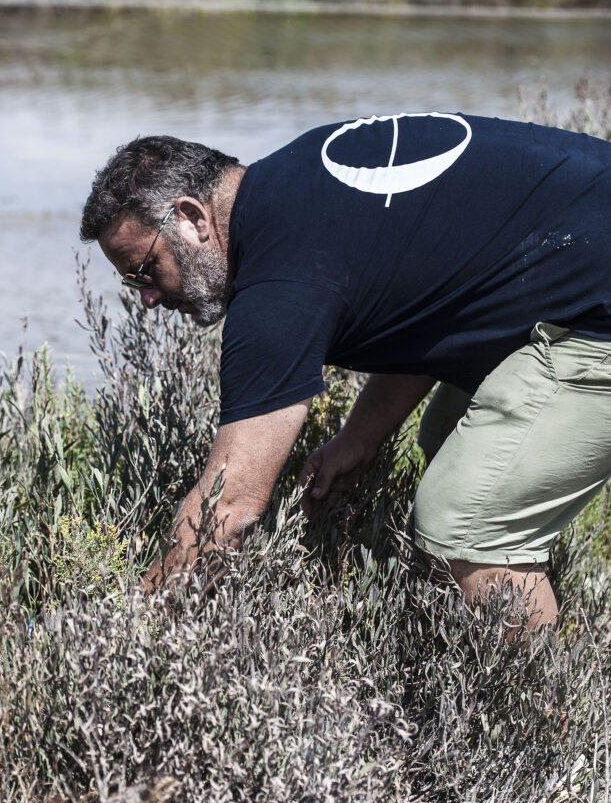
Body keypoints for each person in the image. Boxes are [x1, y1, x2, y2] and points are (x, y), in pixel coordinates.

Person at [80, 112, 611, 633]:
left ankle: (550, 708)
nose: (146, 297)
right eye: (131, 282)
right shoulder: (297, 184)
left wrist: (131, 631)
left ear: (194, 217)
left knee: (463, 520)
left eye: (144, 269)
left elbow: (231, 504)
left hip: (596, 305)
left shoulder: (279, 284)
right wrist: (361, 436)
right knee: (448, 434)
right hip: (581, 263)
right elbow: (429, 303)